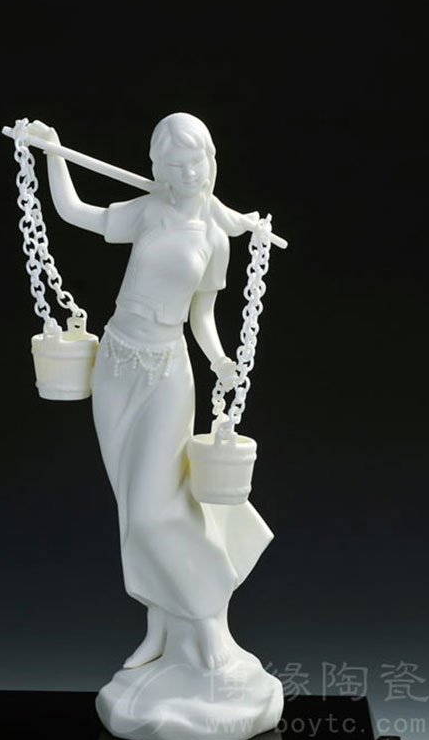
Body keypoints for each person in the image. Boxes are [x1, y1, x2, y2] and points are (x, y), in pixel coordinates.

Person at [28, 113, 273, 672]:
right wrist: (54, 153)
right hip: (116, 364)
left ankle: (206, 617)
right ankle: (160, 625)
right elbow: (74, 213)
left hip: (166, 372)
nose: (189, 174)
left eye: (197, 162)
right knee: (131, 508)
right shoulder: (149, 211)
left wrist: (220, 360)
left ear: (211, 162)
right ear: (160, 170)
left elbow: (203, 314)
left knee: (154, 511)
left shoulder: (214, 238)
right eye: (176, 165)